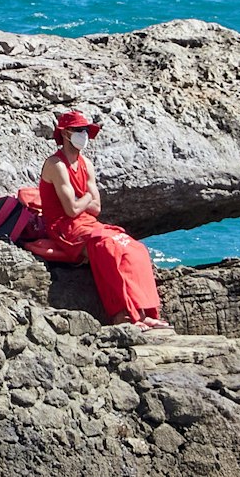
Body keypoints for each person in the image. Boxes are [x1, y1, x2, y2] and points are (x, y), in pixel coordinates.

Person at [39, 109, 169, 330]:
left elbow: (96, 208)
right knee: (107, 247)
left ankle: (146, 312)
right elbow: (71, 210)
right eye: (79, 130)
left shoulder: (86, 164)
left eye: (86, 130)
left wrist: (84, 200)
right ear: (66, 133)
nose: (84, 135)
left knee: (134, 247)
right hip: (64, 227)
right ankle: (123, 316)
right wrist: (87, 197)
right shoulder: (56, 165)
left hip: (87, 223)